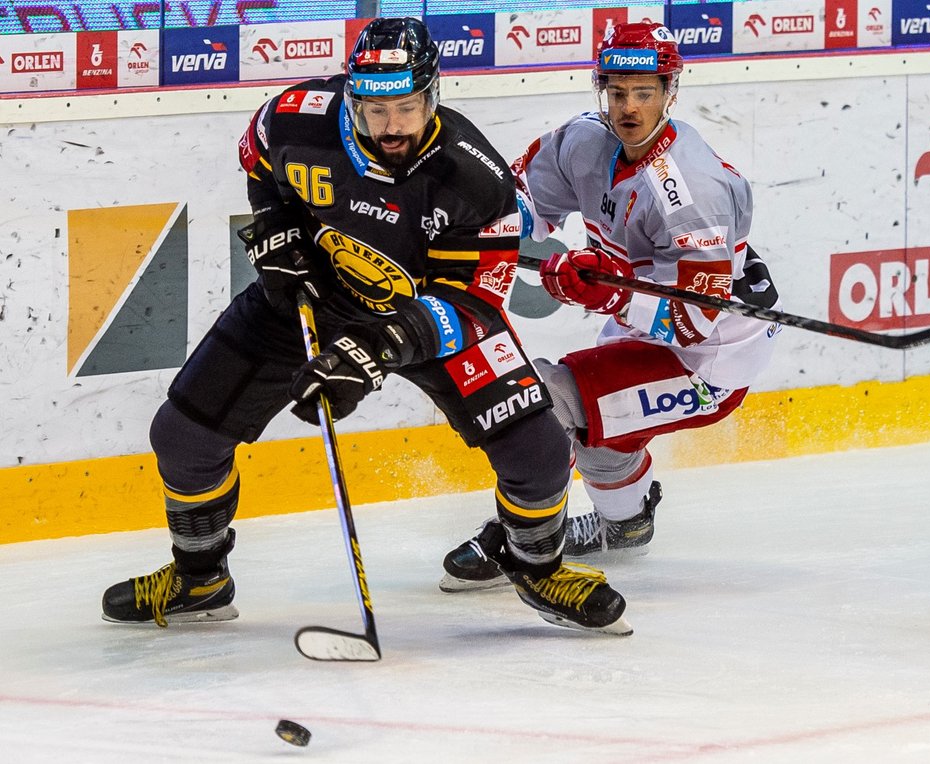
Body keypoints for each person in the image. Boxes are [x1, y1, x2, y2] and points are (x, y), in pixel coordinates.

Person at [101, 17, 632, 636]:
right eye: (374, 107)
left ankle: (537, 570)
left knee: (538, 452)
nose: (390, 126)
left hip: (428, 317)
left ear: (433, 96)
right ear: (350, 95)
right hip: (312, 297)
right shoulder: (298, 115)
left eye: (406, 107)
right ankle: (200, 579)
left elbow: (474, 306)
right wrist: (275, 223)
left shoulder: (477, 181)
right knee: (183, 436)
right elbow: (259, 157)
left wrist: (376, 347)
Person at [440, 22, 780, 591]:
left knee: (546, 401)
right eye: (617, 91)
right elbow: (521, 206)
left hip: (711, 357)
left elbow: (694, 323)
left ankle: (526, 541)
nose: (629, 107)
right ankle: (626, 526)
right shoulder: (584, 142)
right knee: (602, 431)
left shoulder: (689, 189)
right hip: (649, 324)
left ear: (671, 90)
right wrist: (456, 227)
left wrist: (610, 292)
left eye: (645, 92)